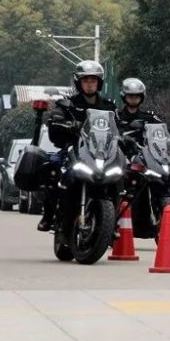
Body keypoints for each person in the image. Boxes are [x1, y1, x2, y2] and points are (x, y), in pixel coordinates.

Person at [37, 60, 116, 232]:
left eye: (93, 81)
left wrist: (126, 135)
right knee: (50, 170)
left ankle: (113, 222)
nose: (89, 84)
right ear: (79, 83)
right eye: (86, 81)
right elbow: (56, 118)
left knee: (120, 175)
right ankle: (49, 215)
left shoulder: (108, 106)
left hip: (100, 152)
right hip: (74, 149)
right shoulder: (68, 104)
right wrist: (60, 121)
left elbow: (118, 126)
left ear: (99, 83)